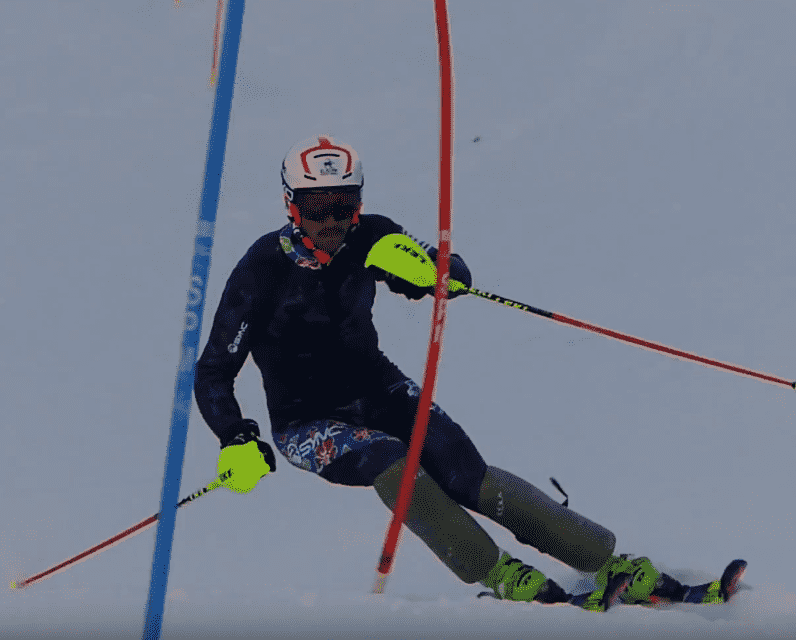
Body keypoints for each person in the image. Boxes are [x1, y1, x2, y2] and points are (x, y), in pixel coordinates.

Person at [194, 135, 743, 611]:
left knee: (465, 473)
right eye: (318, 207)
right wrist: (235, 437)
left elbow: (450, 271)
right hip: (307, 421)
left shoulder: (372, 235)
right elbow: (215, 371)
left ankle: (609, 562)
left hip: (378, 388)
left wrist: (432, 272)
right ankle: (503, 576)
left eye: (345, 205)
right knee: (393, 462)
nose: (333, 222)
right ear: (291, 205)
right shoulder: (261, 269)